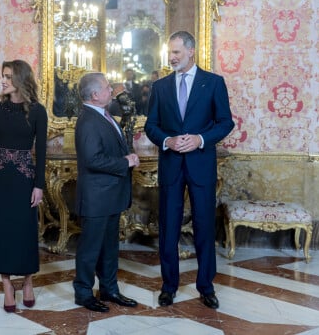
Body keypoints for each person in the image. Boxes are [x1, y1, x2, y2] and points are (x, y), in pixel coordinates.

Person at [144, 31, 234, 309]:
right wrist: (167, 140)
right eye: (170, 53)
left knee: (204, 226)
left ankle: (206, 286)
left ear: (191, 51)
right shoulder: (160, 87)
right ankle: (168, 286)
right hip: (171, 165)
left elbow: (225, 122)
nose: (171, 58)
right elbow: (151, 125)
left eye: (177, 53)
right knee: (168, 227)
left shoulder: (214, 83)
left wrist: (200, 139)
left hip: (201, 165)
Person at [0, 60, 47, 313]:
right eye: (3, 76)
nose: (3, 80)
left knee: (23, 231)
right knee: (0, 231)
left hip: (23, 179)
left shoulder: (38, 111)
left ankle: (27, 280)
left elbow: (40, 151)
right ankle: (7, 285)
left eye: (8, 76)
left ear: (20, 79)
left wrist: (38, 185)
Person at [73, 72, 140, 312]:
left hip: (109, 196)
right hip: (96, 198)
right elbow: (93, 159)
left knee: (109, 248)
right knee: (90, 249)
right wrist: (126, 162)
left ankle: (110, 289)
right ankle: (83, 293)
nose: (112, 90)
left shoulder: (103, 115)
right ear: (95, 94)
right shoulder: (89, 120)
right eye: (107, 87)